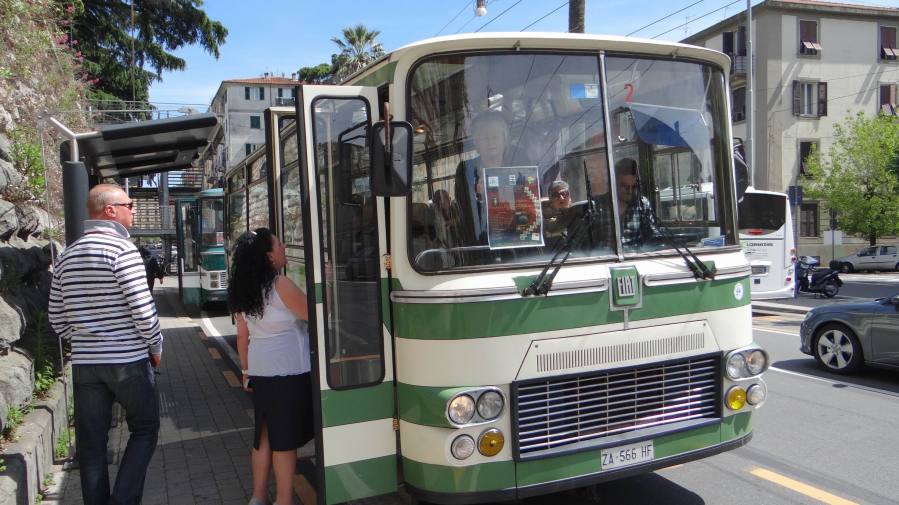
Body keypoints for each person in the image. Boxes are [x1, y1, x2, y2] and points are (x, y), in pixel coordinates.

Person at [48, 183, 163, 505]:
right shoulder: (122, 251)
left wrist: (85, 340)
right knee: (145, 428)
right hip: (128, 360)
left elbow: (56, 317)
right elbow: (143, 310)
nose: (134, 211)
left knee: (91, 445)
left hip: (86, 364)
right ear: (110, 210)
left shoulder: (67, 255)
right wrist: (155, 347)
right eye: (129, 205)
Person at [228, 228, 311, 505]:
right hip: (287, 371)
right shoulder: (280, 285)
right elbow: (316, 313)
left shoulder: (244, 290)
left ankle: (259, 496)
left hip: (261, 370)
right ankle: (284, 500)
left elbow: (243, 337)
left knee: (263, 435)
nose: (283, 246)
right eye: (278, 243)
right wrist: (328, 284)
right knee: (284, 440)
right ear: (268, 256)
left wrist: (246, 373)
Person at [454, 110, 518, 245]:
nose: (491, 142)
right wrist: (480, 197)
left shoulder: (519, 167)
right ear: (476, 145)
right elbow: (465, 214)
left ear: (504, 141)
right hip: (480, 245)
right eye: (484, 138)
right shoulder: (466, 171)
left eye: (495, 137)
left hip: (518, 240)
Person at [614, 157, 660, 250]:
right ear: (614, 184)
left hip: (636, 255)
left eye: (634, 187)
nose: (630, 191)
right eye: (625, 186)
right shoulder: (599, 207)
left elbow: (654, 238)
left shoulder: (642, 204)